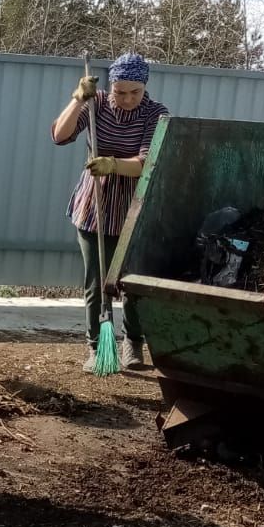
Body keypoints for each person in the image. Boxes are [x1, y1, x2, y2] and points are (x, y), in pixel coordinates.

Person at [51, 51, 167, 371]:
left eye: (135, 92)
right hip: (94, 205)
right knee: (96, 280)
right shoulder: (96, 103)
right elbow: (60, 135)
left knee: (132, 280)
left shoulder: (155, 113)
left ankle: (133, 344)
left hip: (136, 206)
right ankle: (97, 345)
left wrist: (113, 164)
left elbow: (146, 164)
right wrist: (78, 99)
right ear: (111, 86)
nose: (128, 99)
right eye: (120, 91)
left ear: (145, 87)